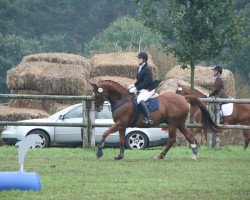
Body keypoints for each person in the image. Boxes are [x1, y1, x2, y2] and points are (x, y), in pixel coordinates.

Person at [128, 52, 161, 125]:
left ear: (144, 60)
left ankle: (149, 118)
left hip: (148, 89)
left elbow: (146, 82)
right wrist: (133, 85)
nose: (138, 60)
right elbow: (138, 80)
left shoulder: (146, 69)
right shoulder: (140, 68)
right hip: (142, 89)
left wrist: (136, 88)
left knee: (140, 100)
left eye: (139, 58)